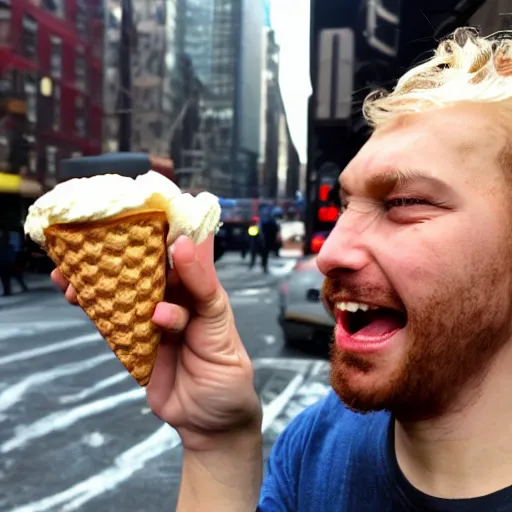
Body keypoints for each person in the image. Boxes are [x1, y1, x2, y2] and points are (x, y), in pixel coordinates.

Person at [51, 28, 512, 510]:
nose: (330, 253)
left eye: (404, 202)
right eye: (346, 205)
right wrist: (218, 444)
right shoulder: (313, 446)